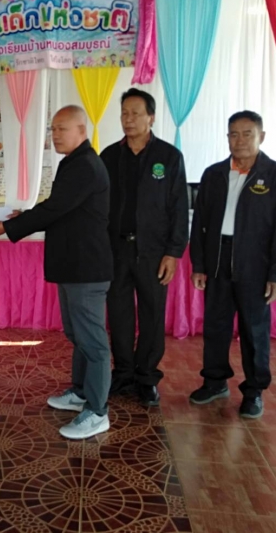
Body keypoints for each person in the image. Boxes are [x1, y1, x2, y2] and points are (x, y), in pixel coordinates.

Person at [0, 106, 113, 440]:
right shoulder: (74, 162)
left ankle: (97, 411)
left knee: (93, 341)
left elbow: (54, 209)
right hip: (73, 266)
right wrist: (24, 216)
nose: (54, 135)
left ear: (82, 130)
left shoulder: (84, 165)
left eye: (62, 129)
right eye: (52, 129)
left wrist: (9, 227)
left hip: (86, 268)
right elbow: (63, 210)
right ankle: (81, 392)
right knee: (77, 334)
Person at [189, 110, 276, 419]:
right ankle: (214, 381)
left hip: (255, 265)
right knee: (216, 326)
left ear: (261, 137)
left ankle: (254, 391)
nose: (239, 140)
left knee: (254, 330)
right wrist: (199, 264)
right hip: (218, 260)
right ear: (227, 138)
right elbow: (200, 223)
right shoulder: (214, 174)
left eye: (247, 134)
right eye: (233, 134)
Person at [100, 88, 188, 407]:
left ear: (151, 117)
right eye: (124, 113)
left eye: (136, 113)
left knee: (152, 315)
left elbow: (179, 208)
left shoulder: (168, 157)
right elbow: (99, 205)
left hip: (153, 253)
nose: (129, 119)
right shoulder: (109, 157)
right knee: (119, 314)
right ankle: (123, 373)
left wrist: (173, 253)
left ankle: (147, 377)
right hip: (117, 251)